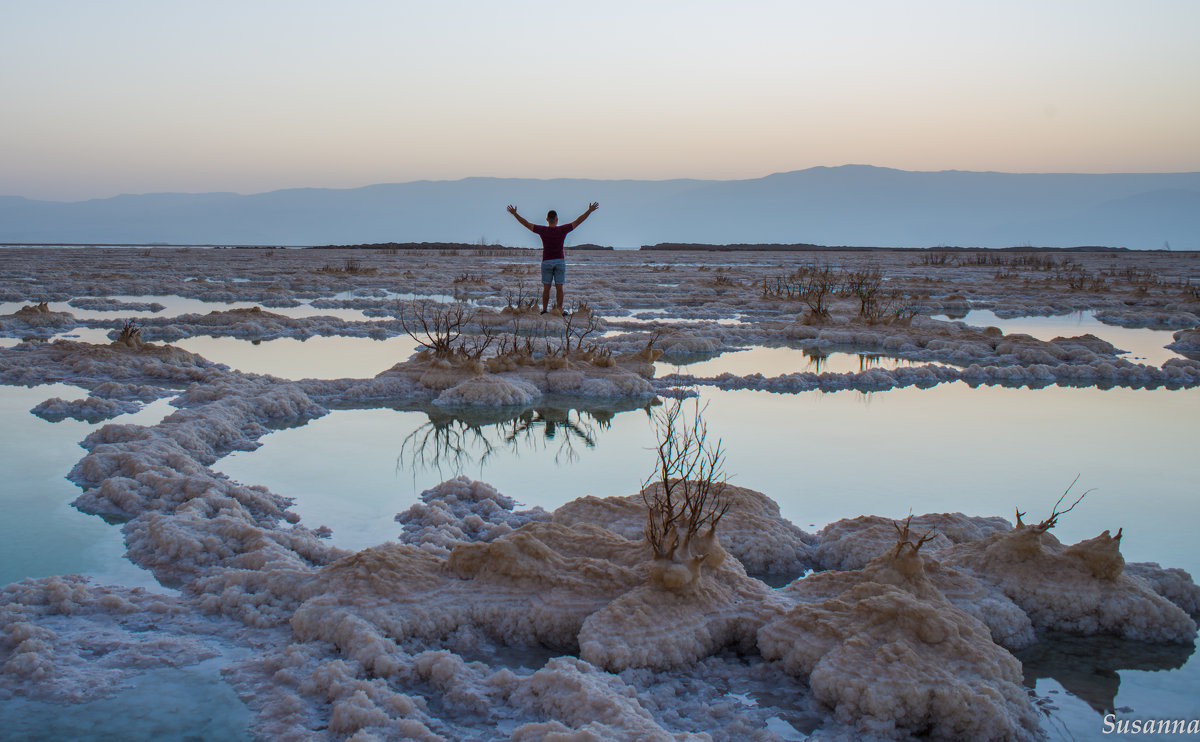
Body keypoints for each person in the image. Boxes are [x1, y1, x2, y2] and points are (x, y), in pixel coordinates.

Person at [506, 202, 598, 314]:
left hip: (546, 262)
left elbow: (527, 224)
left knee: (547, 287)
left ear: (547, 219)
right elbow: (578, 221)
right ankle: (559, 309)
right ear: (557, 219)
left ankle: (544, 310)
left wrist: (515, 214)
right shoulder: (562, 230)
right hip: (559, 261)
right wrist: (589, 211)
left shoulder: (543, 230)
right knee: (559, 287)